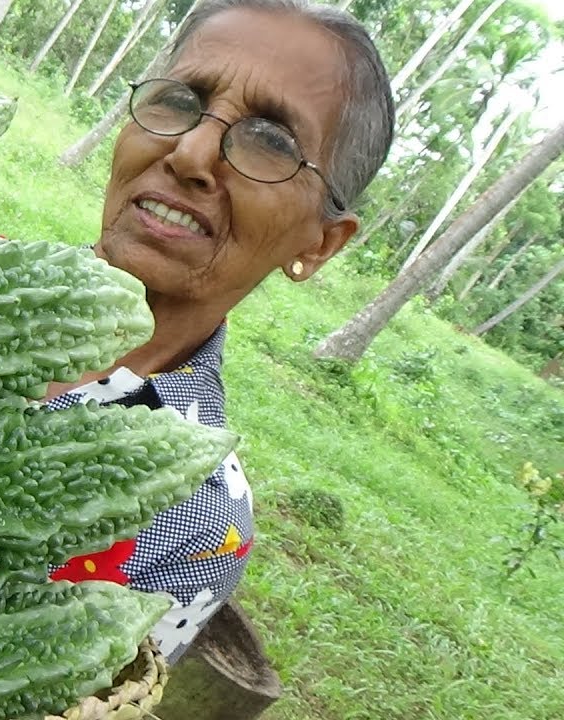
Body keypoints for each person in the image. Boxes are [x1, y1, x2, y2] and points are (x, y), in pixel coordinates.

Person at [40, 0, 395, 665]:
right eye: (181, 100)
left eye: (272, 141)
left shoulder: (201, 525)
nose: (190, 152)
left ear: (319, 243)